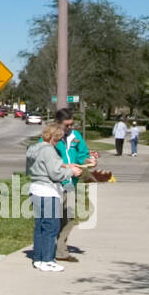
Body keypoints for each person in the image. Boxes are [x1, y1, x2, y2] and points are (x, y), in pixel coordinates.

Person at [27, 122, 82, 272]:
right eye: (58, 139)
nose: (58, 143)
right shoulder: (50, 150)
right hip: (48, 192)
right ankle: (48, 260)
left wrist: (65, 166)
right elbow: (55, 174)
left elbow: (42, 165)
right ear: (53, 138)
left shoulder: (34, 148)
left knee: (40, 227)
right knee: (52, 228)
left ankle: (38, 259)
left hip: (35, 189)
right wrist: (72, 172)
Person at [53, 108, 95, 261]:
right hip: (55, 184)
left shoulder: (76, 137)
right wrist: (66, 167)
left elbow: (82, 155)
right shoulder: (49, 138)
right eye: (67, 125)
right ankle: (47, 250)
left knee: (69, 218)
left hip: (71, 184)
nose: (70, 128)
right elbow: (43, 159)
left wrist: (88, 161)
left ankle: (61, 251)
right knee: (52, 219)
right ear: (58, 124)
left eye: (71, 125)